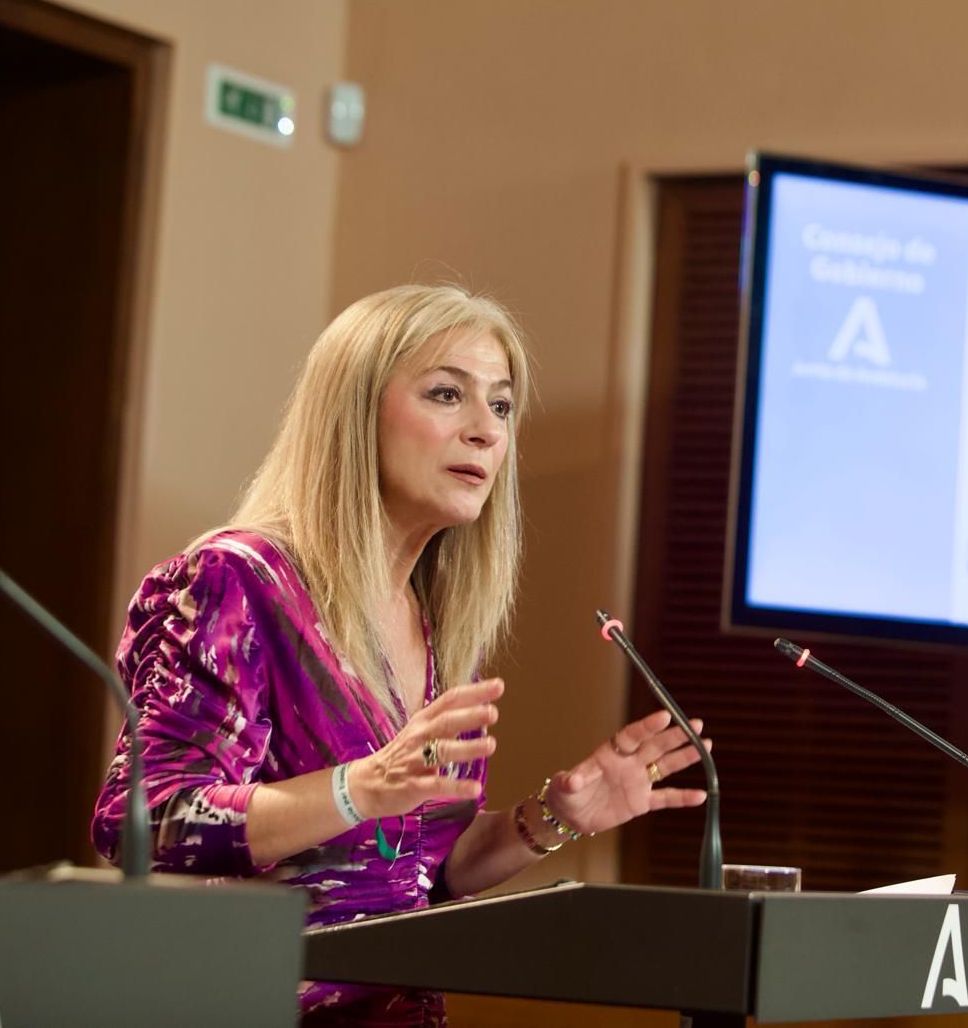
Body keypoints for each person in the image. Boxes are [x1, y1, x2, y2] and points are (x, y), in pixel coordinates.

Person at [91, 284, 709, 1025]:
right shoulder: (237, 583)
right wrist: (359, 784)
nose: (485, 431)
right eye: (448, 394)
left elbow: (419, 872)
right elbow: (150, 821)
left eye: (502, 405)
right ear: (354, 414)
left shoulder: (441, 623)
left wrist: (551, 816)